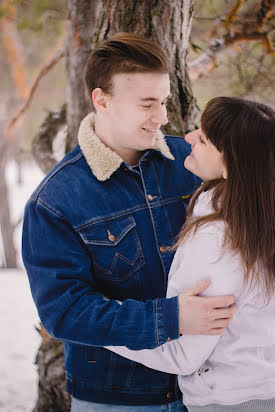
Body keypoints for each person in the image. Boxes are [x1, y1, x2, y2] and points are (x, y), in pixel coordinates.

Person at [22, 34, 236, 412]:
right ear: (101, 100)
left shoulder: (194, 162)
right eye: (147, 104)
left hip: (210, 389)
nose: (163, 117)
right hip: (118, 399)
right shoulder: (54, 201)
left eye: (165, 101)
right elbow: (64, 313)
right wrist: (170, 319)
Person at [106, 97, 275, 412]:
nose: (188, 138)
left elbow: (181, 353)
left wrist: (96, 321)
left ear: (231, 164)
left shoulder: (219, 241)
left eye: (204, 138)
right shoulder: (258, 222)